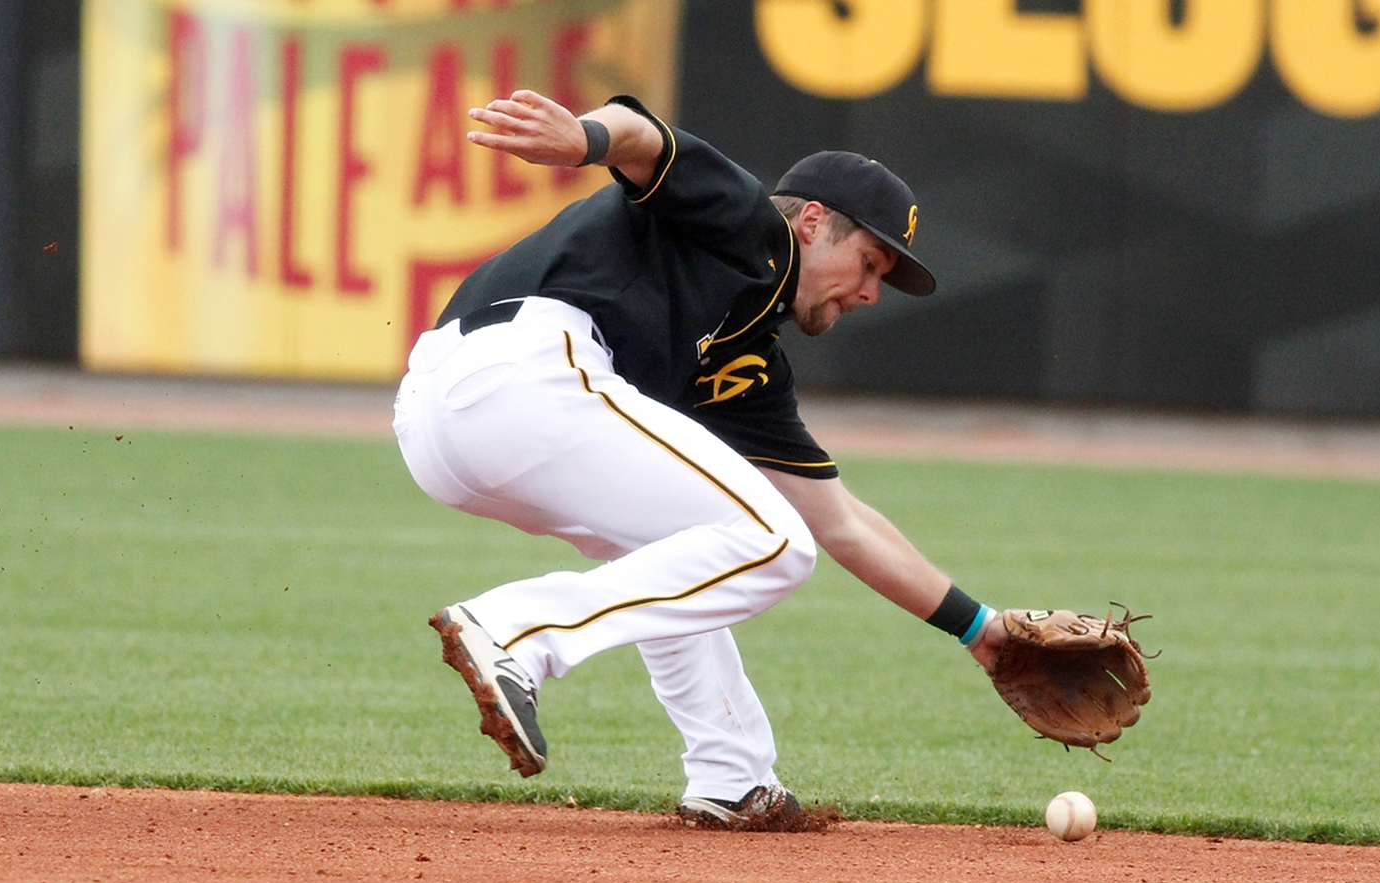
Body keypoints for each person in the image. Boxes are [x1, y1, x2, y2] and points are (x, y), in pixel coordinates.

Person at [393, 90, 1019, 830]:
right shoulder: (755, 227)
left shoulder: (746, 360)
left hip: (450, 426)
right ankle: (517, 632)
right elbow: (642, 137)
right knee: (773, 544)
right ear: (813, 222)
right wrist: (584, 138)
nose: (871, 293)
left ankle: (733, 778)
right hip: (520, 372)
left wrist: (982, 631)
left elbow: (841, 522)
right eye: (868, 262)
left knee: (695, 549)